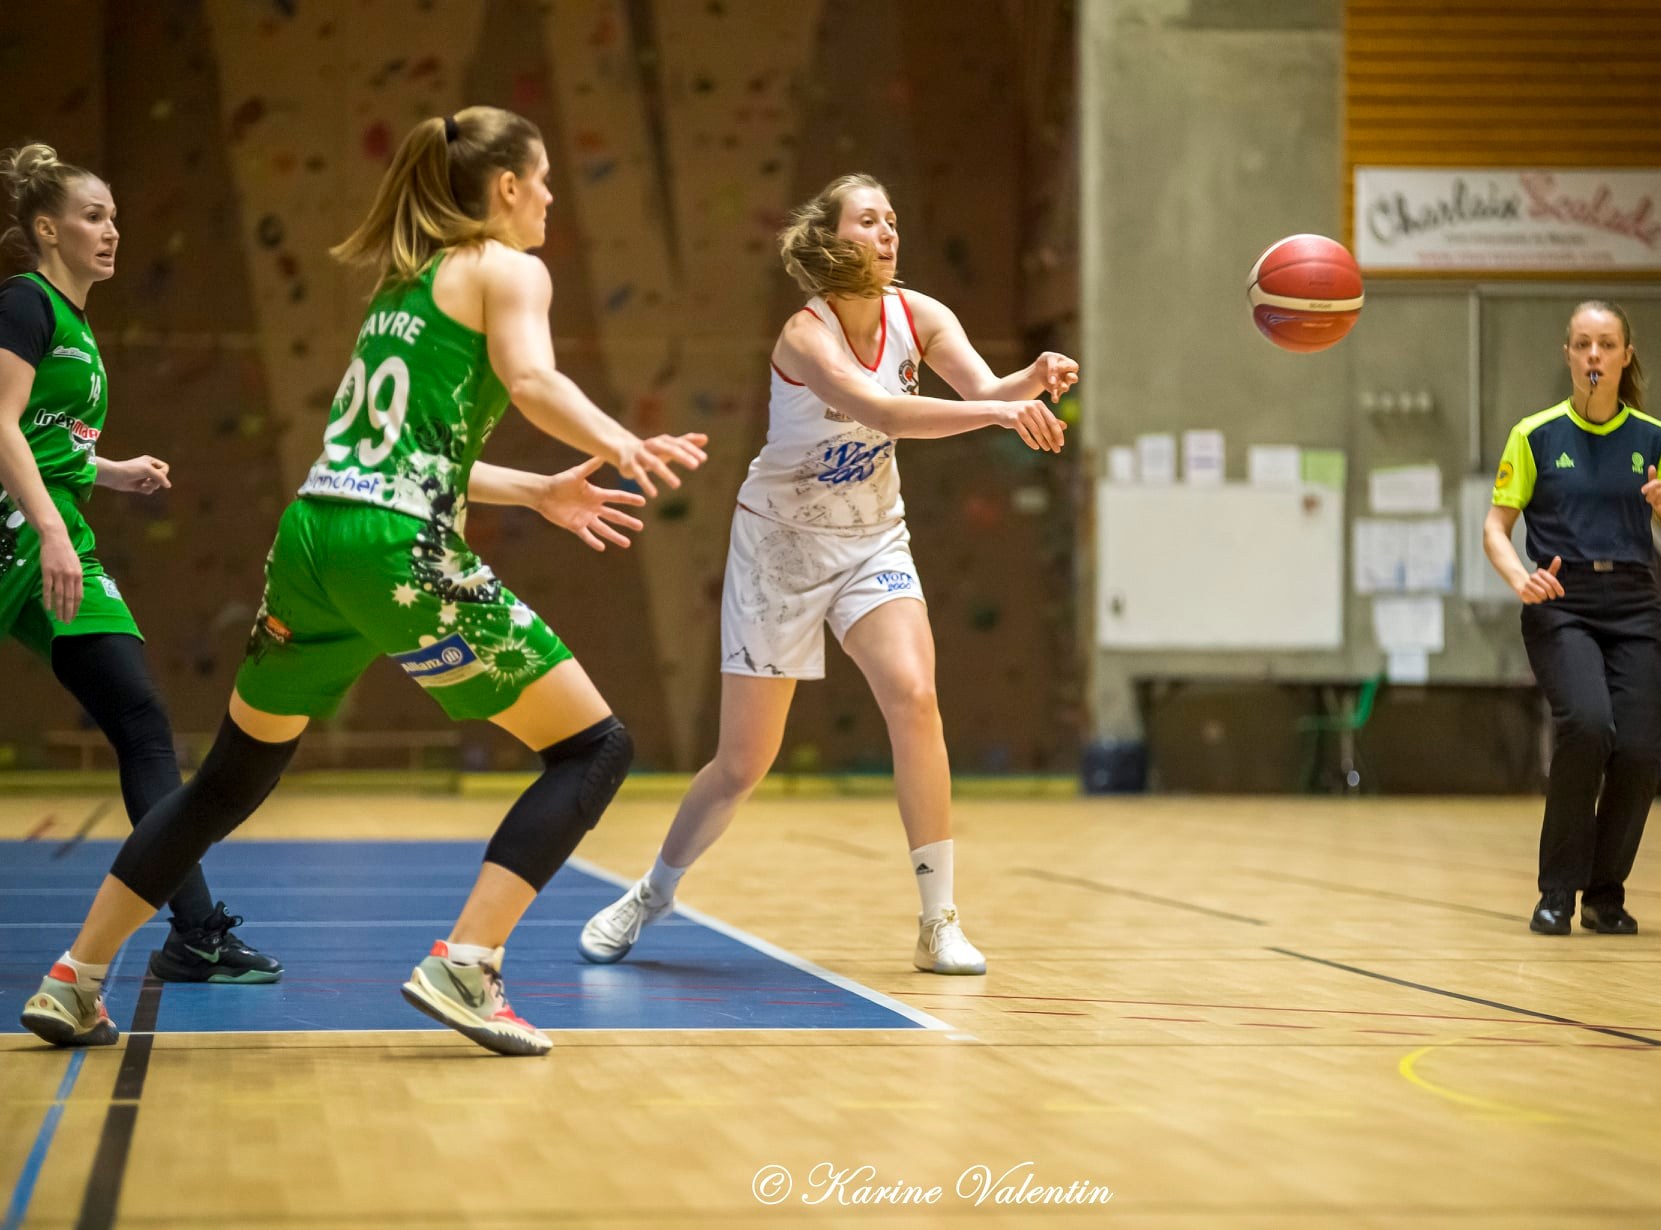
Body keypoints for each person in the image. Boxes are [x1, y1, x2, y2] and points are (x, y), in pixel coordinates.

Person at [19, 106, 708, 1056]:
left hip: (312, 540)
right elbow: (536, 380)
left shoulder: (409, 284)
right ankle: (468, 961)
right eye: (543, 180)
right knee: (595, 747)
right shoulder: (508, 267)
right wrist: (621, 440)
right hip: (394, 551)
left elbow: (387, 456)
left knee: (227, 778)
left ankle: (74, 979)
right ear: (505, 187)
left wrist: (541, 488)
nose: (551, 198)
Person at [578, 172, 1074, 975]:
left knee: (914, 697)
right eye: (869, 221)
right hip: (780, 547)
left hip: (872, 539)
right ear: (834, 238)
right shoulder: (803, 336)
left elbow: (984, 390)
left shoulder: (923, 315)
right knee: (744, 762)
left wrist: (1032, 381)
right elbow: (887, 415)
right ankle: (654, 891)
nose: (888, 234)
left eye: (893, 220)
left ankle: (937, 919)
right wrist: (999, 412)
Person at [0, 142, 282, 984]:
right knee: (141, 722)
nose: (113, 230)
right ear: (47, 230)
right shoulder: (24, 302)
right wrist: (51, 528)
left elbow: (46, 441)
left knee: (140, 721)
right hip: (23, 534)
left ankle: (194, 930)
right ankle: (191, 929)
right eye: (94, 216)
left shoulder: (75, 323)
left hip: (50, 529)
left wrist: (109, 473)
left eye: (116, 216)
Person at [1483, 299, 1661, 937]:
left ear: (1626, 355)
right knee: (1587, 724)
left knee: (1637, 750)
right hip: (1561, 600)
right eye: (1583, 345)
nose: (1595, 356)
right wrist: (1521, 579)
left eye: (1606, 344)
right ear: (1568, 355)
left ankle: (1606, 893)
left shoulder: (1655, 439)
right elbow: (1496, 526)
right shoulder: (1535, 434)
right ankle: (1557, 889)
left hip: (1634, 602)